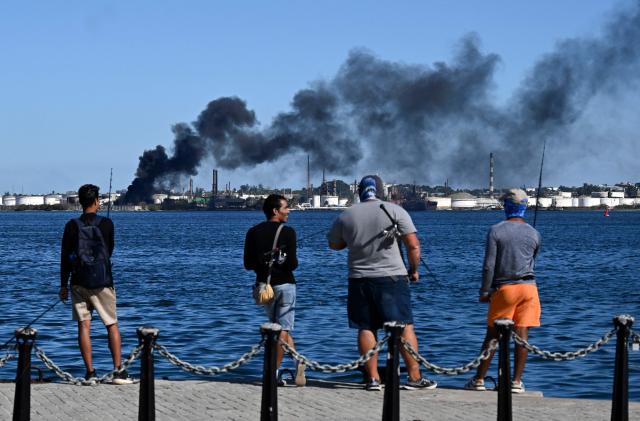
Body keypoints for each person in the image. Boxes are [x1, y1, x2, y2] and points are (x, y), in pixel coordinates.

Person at [327, 175, 437, 391]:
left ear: (359, 191)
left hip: (358, 279)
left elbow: (334, 245)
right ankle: (414, 378)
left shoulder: (346, 215)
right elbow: (413, 246)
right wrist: (413, 271)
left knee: (365, 327)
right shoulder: (395, 211)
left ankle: (373, 379)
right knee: (404, 327)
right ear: (380, 190)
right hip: (392, 279)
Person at [464, 188, 541, 394]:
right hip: (530, 288)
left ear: (507, 206)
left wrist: (485, 291)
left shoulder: (496, 230)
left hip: (505, 289)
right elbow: (533, 259)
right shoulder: (534, 233)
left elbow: (489, 265)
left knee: (492, 335)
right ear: (525, 207)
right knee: (522, 334)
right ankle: (516, 382)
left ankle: (479, 379)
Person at [59, 184, 132, 384]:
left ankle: (90, 373)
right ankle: (118, 371)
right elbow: (109, 251)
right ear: (97, 201)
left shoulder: (71, 225)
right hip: (102, 282)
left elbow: (65, 258)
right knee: (112, 324)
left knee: (84, 326)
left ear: (80, 202)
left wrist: (63, 285)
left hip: (78, 282)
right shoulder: (107, 223)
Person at [244, 194, 305, 387]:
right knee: (282, 330)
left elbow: (248, 264)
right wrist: (280, 262)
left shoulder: (252, 232)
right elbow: (293, 264)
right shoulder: (288, 232)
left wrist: (264, 264)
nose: (289, 212)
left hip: (264, 287)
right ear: (275, 211)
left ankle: (298, 363)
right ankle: (273, 373)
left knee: (277, 329)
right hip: (286, 285)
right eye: (286, 208)